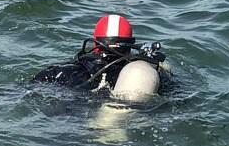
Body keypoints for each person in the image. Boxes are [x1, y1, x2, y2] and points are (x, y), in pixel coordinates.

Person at [32, 14, 169, 93]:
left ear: (95, 43)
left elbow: (30, 88)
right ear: (129, 46)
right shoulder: (135, 75)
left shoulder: (64, 71)